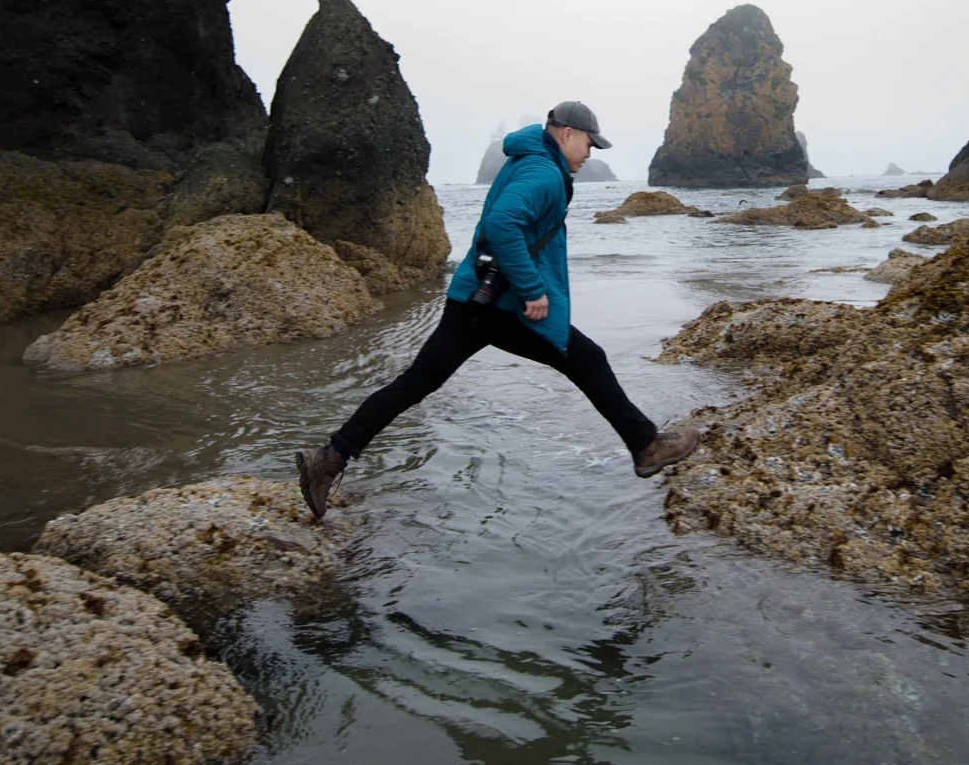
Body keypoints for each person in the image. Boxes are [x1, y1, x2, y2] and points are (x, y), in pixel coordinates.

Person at [295, 101, 700, 520]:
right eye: (588, 142)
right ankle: (646, 446)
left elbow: (504, 225)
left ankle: (328, 459)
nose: (590, 151)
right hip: (503, 305)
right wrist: (532, 289)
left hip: (473, 297)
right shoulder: (544, 172)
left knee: (415, 383)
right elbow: (502, 224)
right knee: (587, 360)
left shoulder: (528, 158)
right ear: (566, 134)